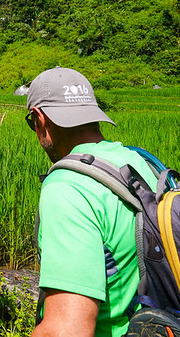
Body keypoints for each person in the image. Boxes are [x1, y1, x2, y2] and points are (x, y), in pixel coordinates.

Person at [26, 67, 158, 337]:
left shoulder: (67, 187)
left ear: (40, 119)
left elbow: (67, 330)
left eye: (32, 124)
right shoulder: (142, 163)